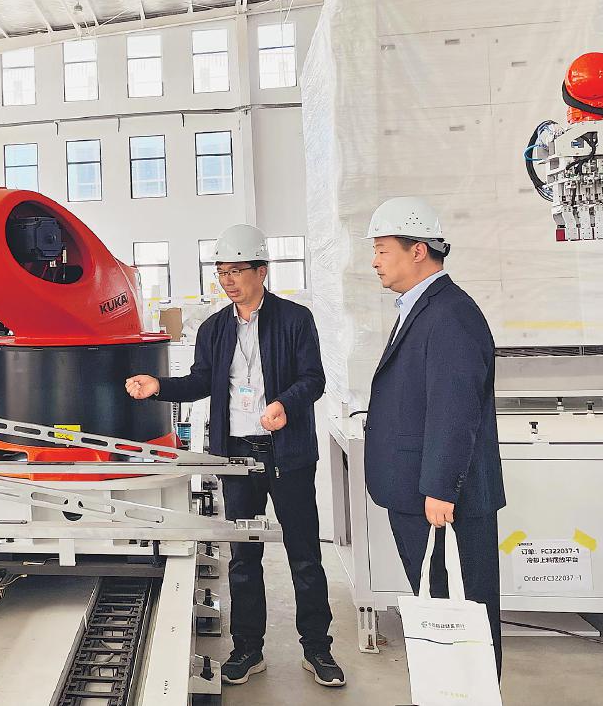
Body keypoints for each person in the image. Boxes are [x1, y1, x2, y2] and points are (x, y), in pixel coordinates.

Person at [125, 224, 344, 688]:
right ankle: (247, 649)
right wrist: (159, 386)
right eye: (222, 272)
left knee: (304, 553)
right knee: (243, 557)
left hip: (287, 454)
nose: (228, 280)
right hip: (236, 456)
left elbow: (314, 379)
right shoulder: (214, 328)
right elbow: (201, 381)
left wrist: (284, 404)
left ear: (262, 271)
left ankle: (317, 649)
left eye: (237, 271)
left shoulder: (295, 320)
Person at [365, 196, 506, 676]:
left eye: (383, 250)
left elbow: (455, 408)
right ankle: (449, 689)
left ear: (418, 250)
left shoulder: (450, 313)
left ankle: (471, 692)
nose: (375, 261)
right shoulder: (421, 307)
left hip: (441, 499)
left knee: (461, 612)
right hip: (419, 491)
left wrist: (441, 489)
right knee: (439, 609)